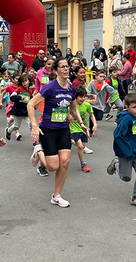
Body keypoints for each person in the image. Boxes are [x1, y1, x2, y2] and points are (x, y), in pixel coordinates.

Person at [28, 58, 85, 207]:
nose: (66, 69)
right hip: (48, 129)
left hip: (63, 130)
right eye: (62, 67)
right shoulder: (50, 87)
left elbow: (73, 108)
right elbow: (30, 104)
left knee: (65, 163)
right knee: (53, 167)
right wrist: (34, 126)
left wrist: (81, 123)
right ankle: (38, 151)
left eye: (67, 67)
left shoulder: (71, 89)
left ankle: (56, 195)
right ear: (56, 70)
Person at [106, 93, 136, 208]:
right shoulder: (126, 119)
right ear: (126, 107)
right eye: (134, 107)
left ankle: (135, 197)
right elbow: (118, 136)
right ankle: (116, 164)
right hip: (125, 153)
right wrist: (127, 152)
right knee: (125, 177)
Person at [68, 87, 97, 172]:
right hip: (73, 128)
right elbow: (66, 112)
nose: (83, 99)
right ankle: (83, 163)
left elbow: (91, 115)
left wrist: (95, 125)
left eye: (84, 96)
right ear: (75, 97)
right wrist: (68, 116)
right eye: (81, 97)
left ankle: (69, 140)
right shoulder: (71, 106)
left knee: (82, 146)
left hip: (83, 128)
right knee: (80, 146)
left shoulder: (86, 105)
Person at [5, 73, 33, 141]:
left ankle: (35, 140)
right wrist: (20, 97)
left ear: (29, 81)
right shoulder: (19, 89)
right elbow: (12, 97)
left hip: (26, 111)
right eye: (22, 81)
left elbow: (31, 101)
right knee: (16, 126)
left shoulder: (30, 91)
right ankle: (8, 131)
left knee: (31, 124)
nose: (24, 83)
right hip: (18, 111)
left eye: (26, 81)